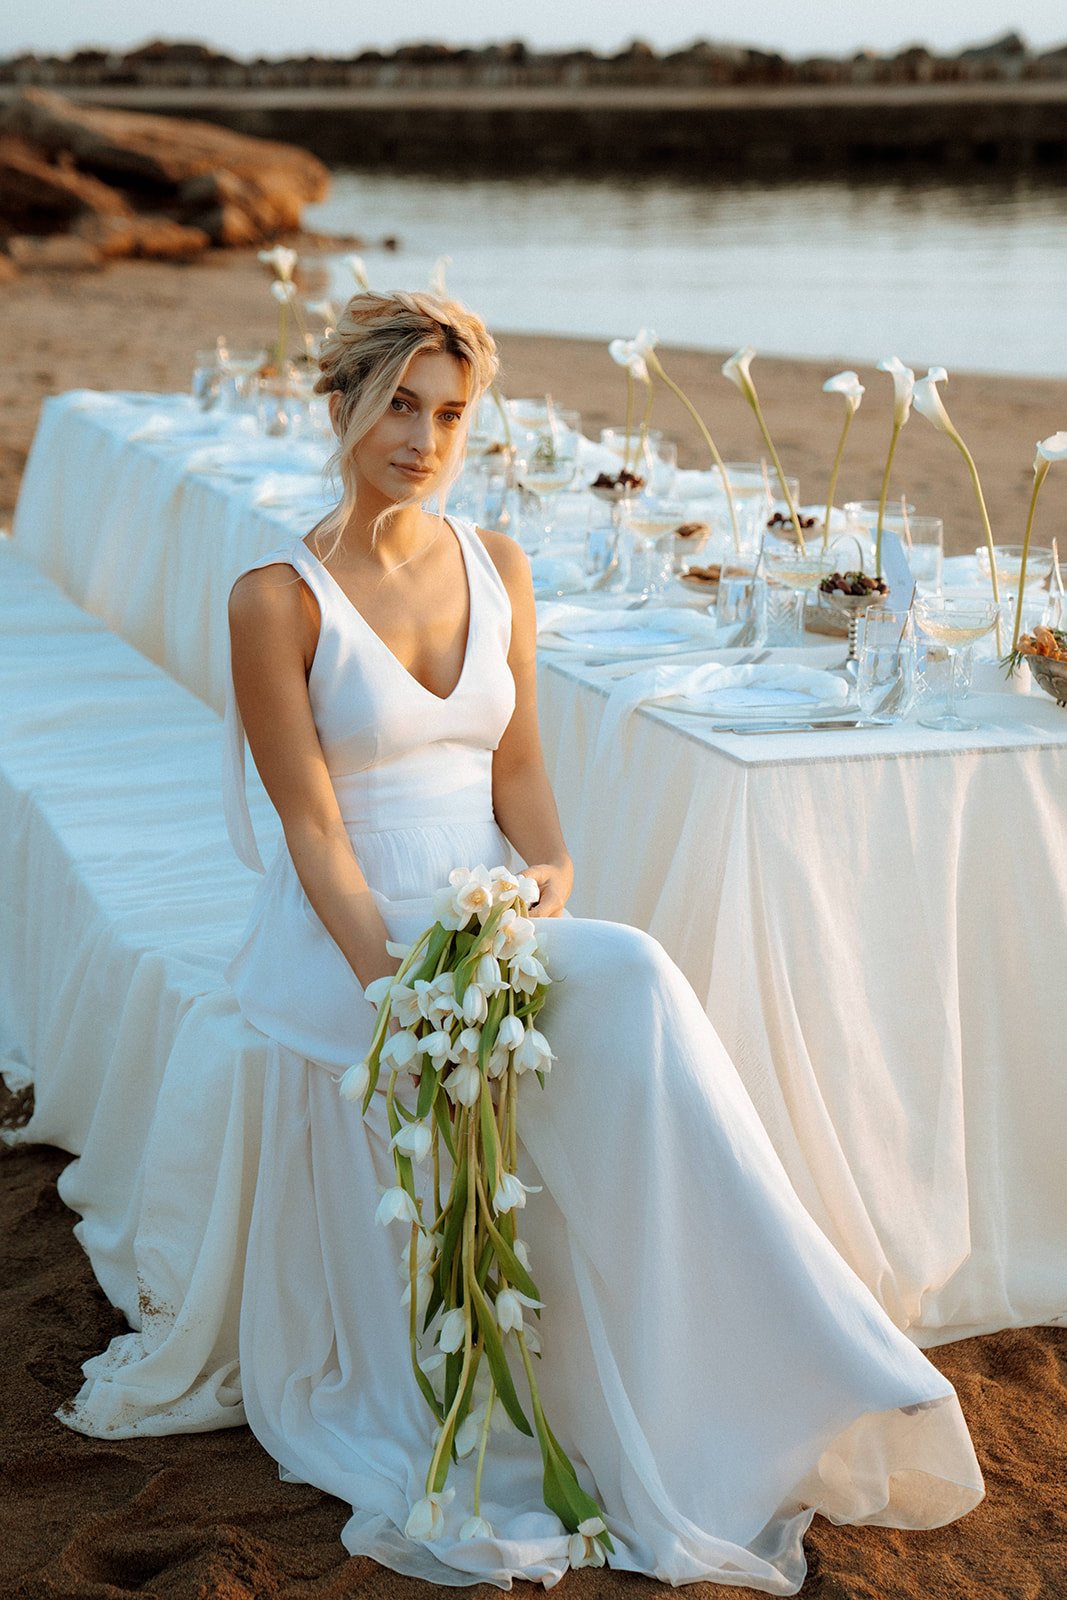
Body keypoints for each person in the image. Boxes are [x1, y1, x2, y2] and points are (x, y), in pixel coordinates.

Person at [225, 290, 983, 1590]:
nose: (424, 438)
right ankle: (789, 1346)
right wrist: (396, 991)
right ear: (339, 404)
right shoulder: (273, 598)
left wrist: (551, 877)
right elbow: (311, 832)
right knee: (633, 973)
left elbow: (521, 781)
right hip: (360, 938)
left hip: (493, 918)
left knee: (622, 978)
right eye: (398, 404)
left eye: (452, 414)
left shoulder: (498, 566)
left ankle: (754, 1349)